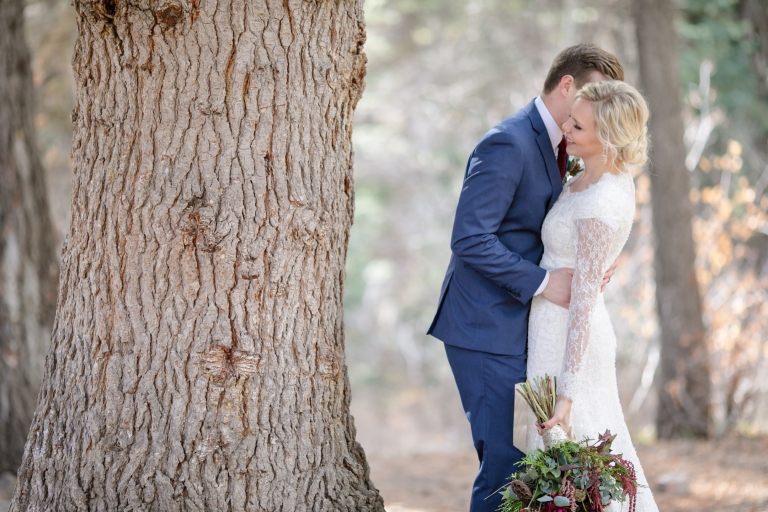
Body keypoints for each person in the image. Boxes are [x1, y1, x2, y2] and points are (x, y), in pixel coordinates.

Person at [427, 45, 624, 512]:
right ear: (568, 85)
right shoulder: (509, 142)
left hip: (525, 328)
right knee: (504, 468)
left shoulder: (567, 146)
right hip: (484, 326)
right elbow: (470, 237)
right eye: (593, 92)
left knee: (526, 468)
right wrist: (543, 281)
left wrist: (593, 262)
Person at [528, 80, 658, 511]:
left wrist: (567, 395)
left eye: (578, 126)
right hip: (549, 330)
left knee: (582, 474)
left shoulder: (603, 200)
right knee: (560, 476)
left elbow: (583, 303)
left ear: (608, 138)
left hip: (571, 342)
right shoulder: (588, 175)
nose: (566, 126)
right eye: (570, 118)